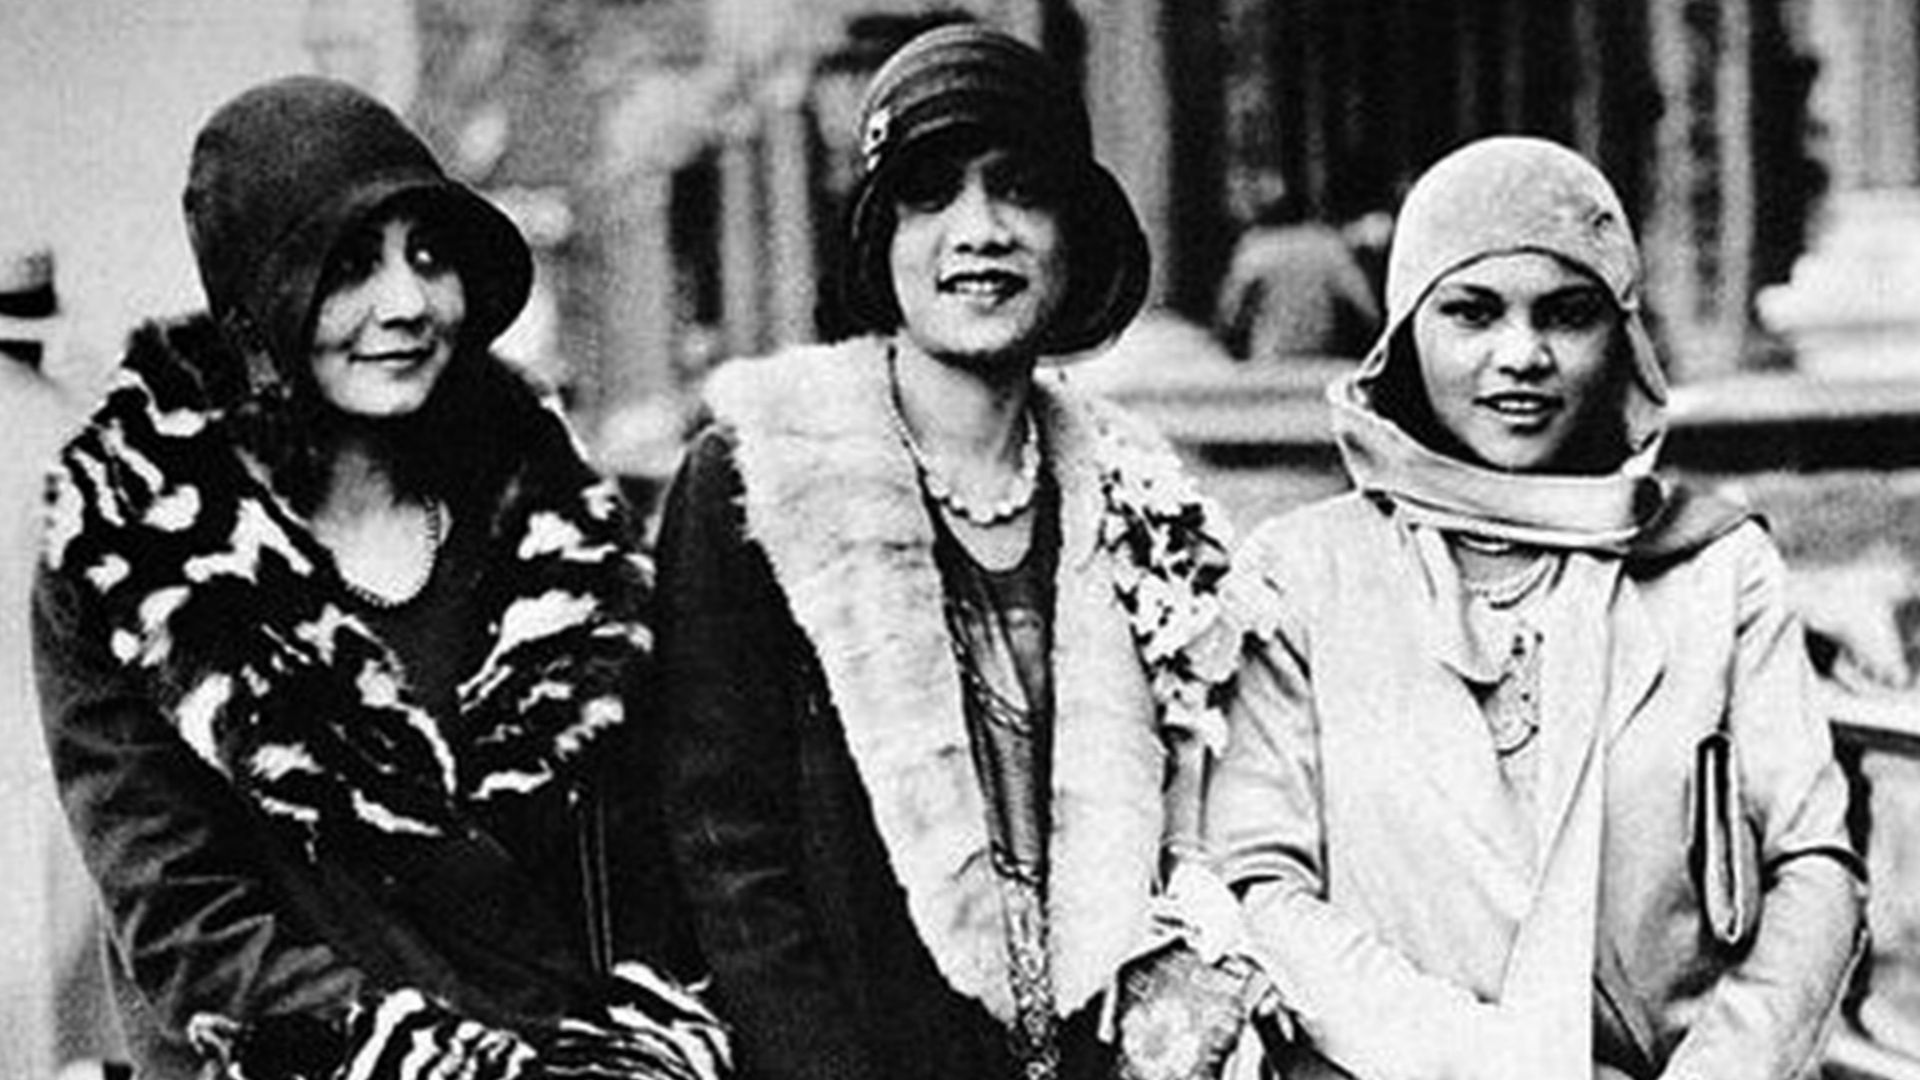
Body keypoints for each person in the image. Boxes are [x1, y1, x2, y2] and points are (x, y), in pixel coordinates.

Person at [33, 76, 727, 1080]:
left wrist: (648, 1047)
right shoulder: (135, 562)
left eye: (430, 257)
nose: (405, 304)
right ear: (256, 303)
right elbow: (189, 929)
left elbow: (646, 874)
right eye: (350, 265)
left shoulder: (554, 535)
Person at [650, 23, 1248, 1080]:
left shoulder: (1139, 497)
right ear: (880, 237)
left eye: (1020, 190)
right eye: (931, 193)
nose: (981, 232)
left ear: (1072, 230)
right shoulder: (759, 481)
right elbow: (730, 855)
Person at [1206, 136, 1865, 1079]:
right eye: (1472, 313)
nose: (1523, 355)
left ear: (1623, 340)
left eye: (1567, 314)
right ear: (1405, 336)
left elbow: (1814, 865)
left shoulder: (1716, 569)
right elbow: (1259, 884)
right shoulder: (1304, 575)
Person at [1213, 177, 1380, 363]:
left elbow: (1230, 315)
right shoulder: (1328, 245)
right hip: (1320, 361)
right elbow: (1365, 308)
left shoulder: (1255, 248)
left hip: (1267, 361)